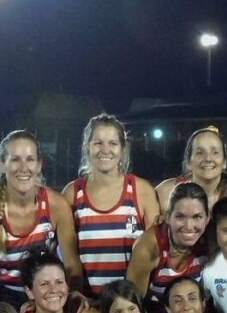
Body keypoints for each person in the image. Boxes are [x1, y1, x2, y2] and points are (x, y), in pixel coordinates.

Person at [0, 130, 82, 311]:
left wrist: (67, 301)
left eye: (30, 159)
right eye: (15, 159)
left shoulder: (56, 205)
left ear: (39, 164)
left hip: (45, 299)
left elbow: (72, 265)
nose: (23, 167)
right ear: (2, 164)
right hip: (2, 304)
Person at [61, 114, 160, 297]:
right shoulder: (72, 194)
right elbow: (68, 258)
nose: (105, 150)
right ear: (87, 147)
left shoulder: (142, 191)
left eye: (113, 143)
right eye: (98, 143)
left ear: (122, 149)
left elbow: (155, 252)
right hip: (87, 302)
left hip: (131, 303)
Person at [126, 181, 211, 313]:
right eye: (180, 217)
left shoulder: (211, 240)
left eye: (197, 217)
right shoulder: (149, 247)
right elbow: (131, 304)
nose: (189, 226)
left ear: (207, 218)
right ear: (167, 217)